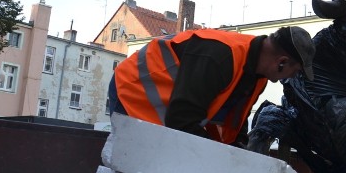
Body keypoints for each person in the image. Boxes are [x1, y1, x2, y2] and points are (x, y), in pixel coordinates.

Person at [109, 26, 315, 144]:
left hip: (170, 109)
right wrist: (215, 155)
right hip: (134, 89)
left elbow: (236, 122)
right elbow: (182, 119)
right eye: (295, 71)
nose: (289, 78)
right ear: (282, 62)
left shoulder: (257, 76)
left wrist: (239, 155)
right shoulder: (220, 55)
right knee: (145, 165)